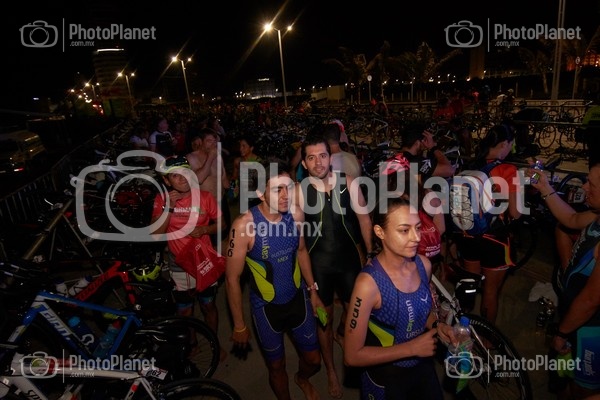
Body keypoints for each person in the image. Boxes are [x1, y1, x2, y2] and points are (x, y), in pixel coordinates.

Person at [225, 160, 324, 400]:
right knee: (276, 366)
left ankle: (302, 378)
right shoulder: (244, 225)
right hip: (266, 309)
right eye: (277, 189)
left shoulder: (296, 214)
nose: (285, 195)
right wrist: (239, 324)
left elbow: (302, 251)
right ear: (261, 193)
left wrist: (313, 291)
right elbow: (232, 278)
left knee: (313, 360)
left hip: (298, 299)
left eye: (289, 187)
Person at [343, 197, 456, 399]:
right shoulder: (368, 284)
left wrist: (438, 326)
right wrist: (411, 348)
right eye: (404, 230)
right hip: (385, 378)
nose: (417, 237)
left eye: (418, 228)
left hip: (422, 367)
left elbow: (421, 309)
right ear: (380, 232)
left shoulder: (423, 265)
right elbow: (351, 356)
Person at [296, 132, 374, 398]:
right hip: (320, 269)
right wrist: (310, 286)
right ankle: (330, 369)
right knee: (324, 322)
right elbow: (300, 245)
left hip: (349, 263)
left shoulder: (348, 182)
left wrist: (370, 254)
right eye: (311, 158)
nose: (318, 162)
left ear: (330, 157)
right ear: (304, 163)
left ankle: (347, 342)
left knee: (357, 314)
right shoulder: (299, 193)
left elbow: (364, 220)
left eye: (322, 155)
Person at [529, 162, 600, 399]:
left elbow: (591, 300)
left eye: (592, 184)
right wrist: (545, 187)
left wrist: (562, 333)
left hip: (591, 330)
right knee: (565, 377)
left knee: (583, 390)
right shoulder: (596, 214)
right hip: (576, 321)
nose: (584, 187)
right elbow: (570, 218)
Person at [149, 155, 226, 359]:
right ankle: (192, 344)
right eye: (175, 176)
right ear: (167, 181)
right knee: (185, 310)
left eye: (185, 172)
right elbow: (155, 235)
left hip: (204, 262)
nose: (182, 178)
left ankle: (214, 343)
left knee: (209, 305)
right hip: (179, 265)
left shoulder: (205, 197)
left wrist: (205, 229)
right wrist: (169, 207)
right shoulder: (162, 200)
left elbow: (223, 224)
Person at [453, 124, 522, 324]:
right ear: (504, 144)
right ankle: (487, 337)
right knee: (490, 292)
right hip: (494, 239)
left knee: (469, 285)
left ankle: (462, 325)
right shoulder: (508, 170)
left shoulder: (469, 165)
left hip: (467, 234)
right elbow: (515, 213)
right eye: (511, 144)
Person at [186, 128, 231, 246]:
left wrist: (231, 188)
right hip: (205, 206)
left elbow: (224, 178)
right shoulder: (191, 158)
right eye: (209, 141)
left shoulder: (218, 156)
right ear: (200, 142)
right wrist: (210, 157)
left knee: (224, 233)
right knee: (209, 240)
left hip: (221, 201)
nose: (213, 144)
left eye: (214, 141)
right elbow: (199, 179)